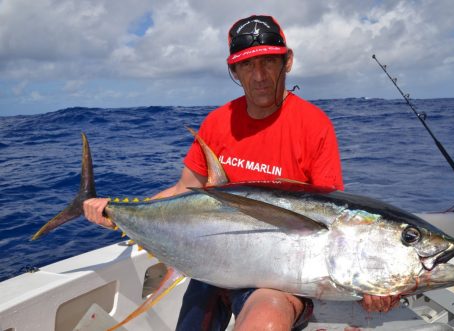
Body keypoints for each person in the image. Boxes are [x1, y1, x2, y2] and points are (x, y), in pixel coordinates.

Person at [84, 14, 397, 331]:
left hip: (277, 280)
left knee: (267, 318)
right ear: (233, 69)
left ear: (286, 62)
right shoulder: (219, 122)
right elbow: (183, 190)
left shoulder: (314, 126)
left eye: (268, 63)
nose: (259, 76)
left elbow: (332, 222)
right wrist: (115, 212)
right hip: (209, 262)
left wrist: (371, 277)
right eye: (247, 65)